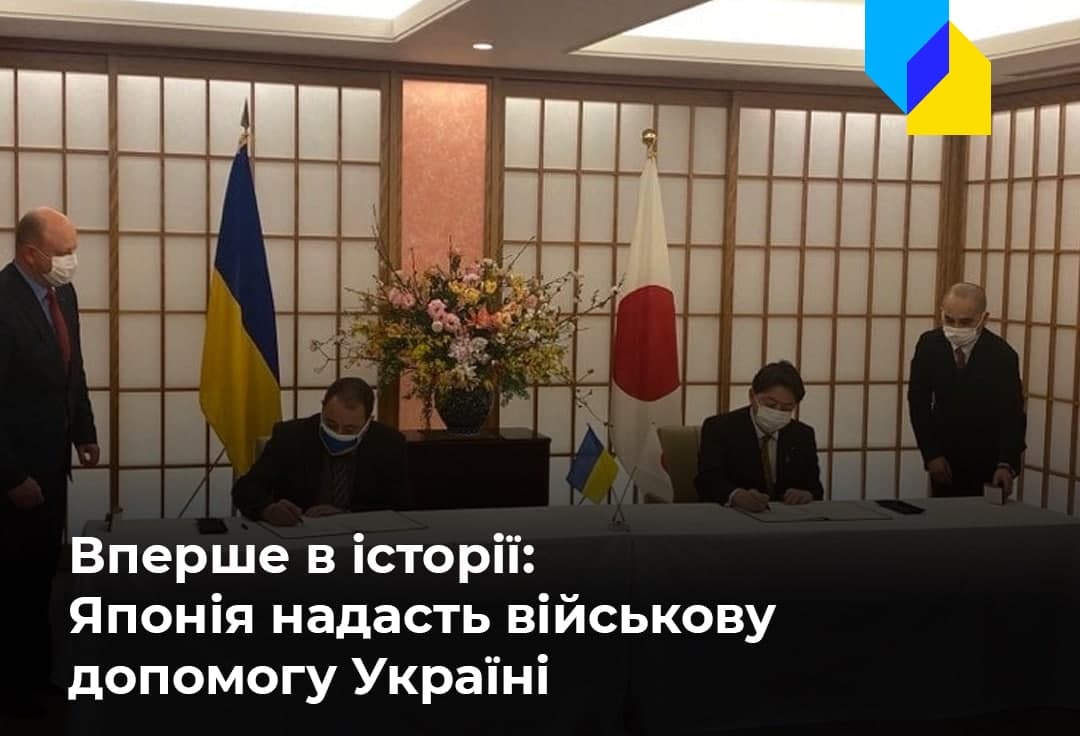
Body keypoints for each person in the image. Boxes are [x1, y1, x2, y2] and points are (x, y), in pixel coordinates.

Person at [0, 208, 99, 717]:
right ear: (30, 254)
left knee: (39, 576)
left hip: (53, 461)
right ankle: (17, 688)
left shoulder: (64, 294)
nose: (72, 261)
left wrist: (84, 431)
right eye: (63, 253)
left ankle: (37, 675)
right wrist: (12, 476)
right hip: (14, 472)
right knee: (14, 582)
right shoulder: (3, 302)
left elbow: (71, 370)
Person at [233, 377, 410, 524]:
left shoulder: (389, 443)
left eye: (349, 429)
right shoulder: (290, 436)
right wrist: (267, 510)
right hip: (298, 534)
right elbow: (245, 489)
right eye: (331, 424)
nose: (338, 433)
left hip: (363, 538)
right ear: (322, 408)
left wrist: (348, 516)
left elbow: (401, 504)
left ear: (368, 422)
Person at [908, 283, 1026, 497]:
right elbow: (918, 403)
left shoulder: (1002, 355)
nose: (956, 327)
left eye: (965, 322)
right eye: (949, 319)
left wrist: (1006, 463)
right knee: (945, 514)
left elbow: (1013, 414)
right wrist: (931, 454)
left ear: (984, 318)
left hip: (988, 456)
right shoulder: (929, 345)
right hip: (944, 456)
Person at [696, 361, 823, 510]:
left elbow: (815, 488)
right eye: (770, 405)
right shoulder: (719, 428)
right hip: (734, 515)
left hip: (787, 516)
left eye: (786, 408)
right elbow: (706, 480)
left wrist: (806, 494)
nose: (777, 412)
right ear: (752, 396)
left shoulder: (802, 435)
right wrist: (735, 495)